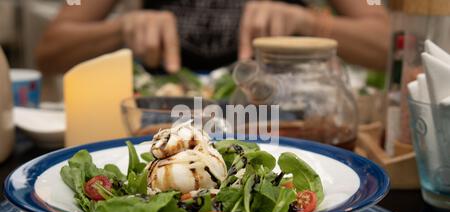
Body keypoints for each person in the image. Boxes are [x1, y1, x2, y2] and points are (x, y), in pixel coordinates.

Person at [35, 0, 390, 75]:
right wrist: (120, 28)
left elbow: (389, 44)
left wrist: (309, 23)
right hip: (161, 130)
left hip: (283, 125)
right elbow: (50, 50)